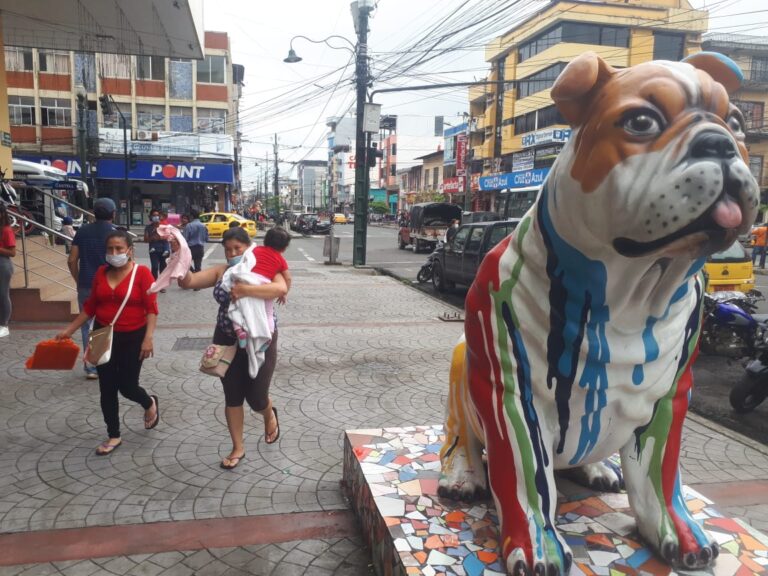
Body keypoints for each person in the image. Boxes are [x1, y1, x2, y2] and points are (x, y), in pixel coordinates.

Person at [176, 226, 288, 469]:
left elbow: (280, 288)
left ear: (249, 247)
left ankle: (268, 413)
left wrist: (246, 289)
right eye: (228, 250)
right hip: (227, 339)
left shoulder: (265, 267)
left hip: (261, 339)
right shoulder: (222, 272)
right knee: (233, 396)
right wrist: (180, 260)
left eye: (238, 248)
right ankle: (238, 447)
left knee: (257, 397)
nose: (232, 253)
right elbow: (189, 281)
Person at [56, 230, 159, 455]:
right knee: (107, 388)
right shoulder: (101, 273)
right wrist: (69, 330)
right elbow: (91, 307)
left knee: (128, 386)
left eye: (119, 249)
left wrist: (148, 338)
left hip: (134, 336)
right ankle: (114, 435)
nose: (114, 253)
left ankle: (149, 402)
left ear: (129, 251)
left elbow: (151, 309)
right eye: (110, 249)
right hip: (102, 334)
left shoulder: (142, 274)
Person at [68, 197, 117, 379]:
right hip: (109, 286)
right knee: (108, 323)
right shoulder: (115, 233)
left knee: (86, 325)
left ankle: (91, 367)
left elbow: (72, 259)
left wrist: (78, 279)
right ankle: (106, 363)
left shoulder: (82, 231)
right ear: (113, 214)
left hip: (86, 284)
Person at [0, 204, 16, 338]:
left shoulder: (6, 230)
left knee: (3, 294)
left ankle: (4, 324)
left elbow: (12, 252)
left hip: (3, 264)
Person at [144, 209, 170, 289]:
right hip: (153, 251)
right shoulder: (148, 227)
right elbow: (145, 240)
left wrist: (161, 237)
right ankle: (154, 284)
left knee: (163, 268)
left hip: (163, 250)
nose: (156, 217)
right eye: (154, 215)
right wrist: (152, 238)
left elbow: (168, 236)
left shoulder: (163, 226)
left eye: (157, 215)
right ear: (151, 217)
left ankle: (162, 286)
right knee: (154, 267)